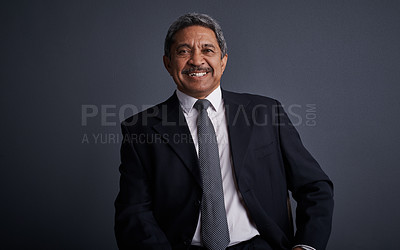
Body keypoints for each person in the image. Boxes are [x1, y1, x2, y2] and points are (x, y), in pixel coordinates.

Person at [114, 13, 334, 250]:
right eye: (183, 51)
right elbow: (134, 213)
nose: (196, 61)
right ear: (168, 63)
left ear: (223, 61)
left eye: (207, 50)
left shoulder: (266, 113)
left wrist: (306, 246)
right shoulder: (141, 129)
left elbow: (315, 187)